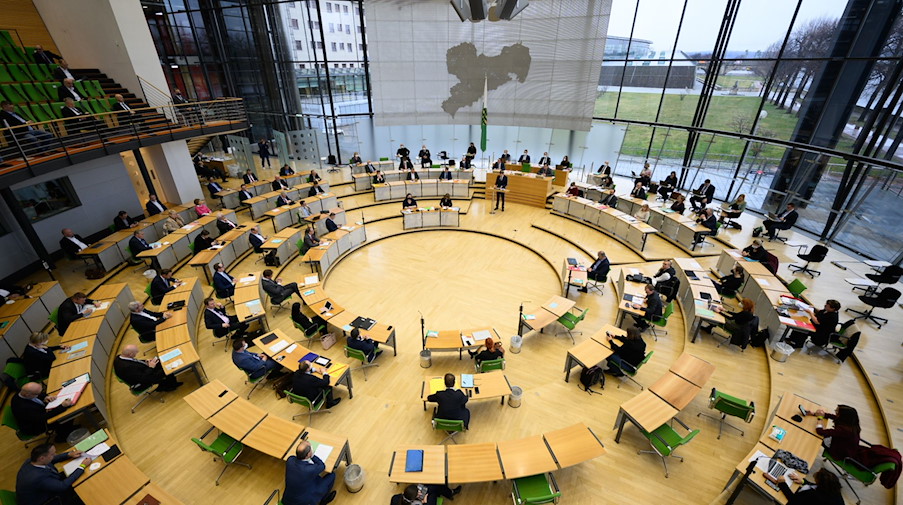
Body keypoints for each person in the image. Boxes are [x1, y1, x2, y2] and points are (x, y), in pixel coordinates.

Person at [16, 443, 91, 505]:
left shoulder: (33, 460)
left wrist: (69, 454)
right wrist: (82, 466)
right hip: (46, 500)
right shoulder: (37, 478)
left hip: (45, 485)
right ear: (42, 458)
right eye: (52, 454)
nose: (55, 455)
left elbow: (53, 459)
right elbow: (62, 486)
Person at [283, 441, 337, 505]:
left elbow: (296, 459)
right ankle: (324, 500)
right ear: (308, 454)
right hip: (303, 501)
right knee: (332, 475)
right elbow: (322, 466)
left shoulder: (290, 460)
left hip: (288, 498)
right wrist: (312, 456)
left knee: (315, 477)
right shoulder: (309, 469)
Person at [114, 344, 182, 391]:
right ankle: (169, 385)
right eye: (136, 352)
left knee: (159, 361)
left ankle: (168, 382)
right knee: (166, 368)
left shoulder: (119, 357)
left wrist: (145, 361)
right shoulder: (127, 367)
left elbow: (134, 362)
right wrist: (151, 367)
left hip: (142, 370)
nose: (137, 353)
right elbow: (144, 378)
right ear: (130, 354)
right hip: (143, 381)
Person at [763, 467, 844, 505]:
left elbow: (793, 500)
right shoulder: (834, 490)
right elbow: (816, 486)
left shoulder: (814, 495)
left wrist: (782, 484)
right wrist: (803, 481)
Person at [391, 484, 461, 505]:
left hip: (418, 501)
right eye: (418, 493)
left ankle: (449, 493)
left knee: (434, 486)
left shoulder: (395, 498)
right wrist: (424, 502)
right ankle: (449, 493)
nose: (420, 492)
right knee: (433, 491)